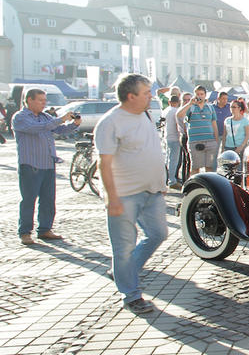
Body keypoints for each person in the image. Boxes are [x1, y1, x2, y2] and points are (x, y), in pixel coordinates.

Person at [95, 74, 168, 315]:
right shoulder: (111, 122)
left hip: (152, 192)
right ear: (131, 96)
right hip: (124, 195)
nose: (151, 96)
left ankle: (122, 271)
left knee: (158, 234)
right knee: (123, 248)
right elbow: (103, 164)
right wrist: (111, 197)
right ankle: (131, 295)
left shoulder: (145, 114)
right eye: (146, 92)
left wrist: (160, 181)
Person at [12, 88, 81, 245]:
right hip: (30, 164)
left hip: (48, 163)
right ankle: (25, 232)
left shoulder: (45, 116)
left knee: (48, 199)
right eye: (41, 100)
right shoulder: (20, 117)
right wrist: (60, 119)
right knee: (29, 199)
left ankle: (45, 229)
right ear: (29, 100)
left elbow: (58, 130)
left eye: (45, 100)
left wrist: (73, 124)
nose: (44, 103)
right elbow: (36, 129)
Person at [176, 85, 219, 176]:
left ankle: (209, 187)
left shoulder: (210, 108)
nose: (199, 96)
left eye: (201, 94)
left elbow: (214, 124)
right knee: (195, 168)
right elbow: (179, 115)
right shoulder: (191, 107)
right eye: (197, 94)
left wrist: (216, 140)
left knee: (210, 168)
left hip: (210, 141)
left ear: (205, 95)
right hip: (195, 142)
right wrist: (189, 104)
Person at [161, 95, 182, 189]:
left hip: (167, 137)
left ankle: (166, 179)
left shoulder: (165, 111)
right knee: (173, 160)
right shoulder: (176, 111)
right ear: (178, 102)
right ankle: (172, 180)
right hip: (175, 138)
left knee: (167, 159)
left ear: (169, 102)